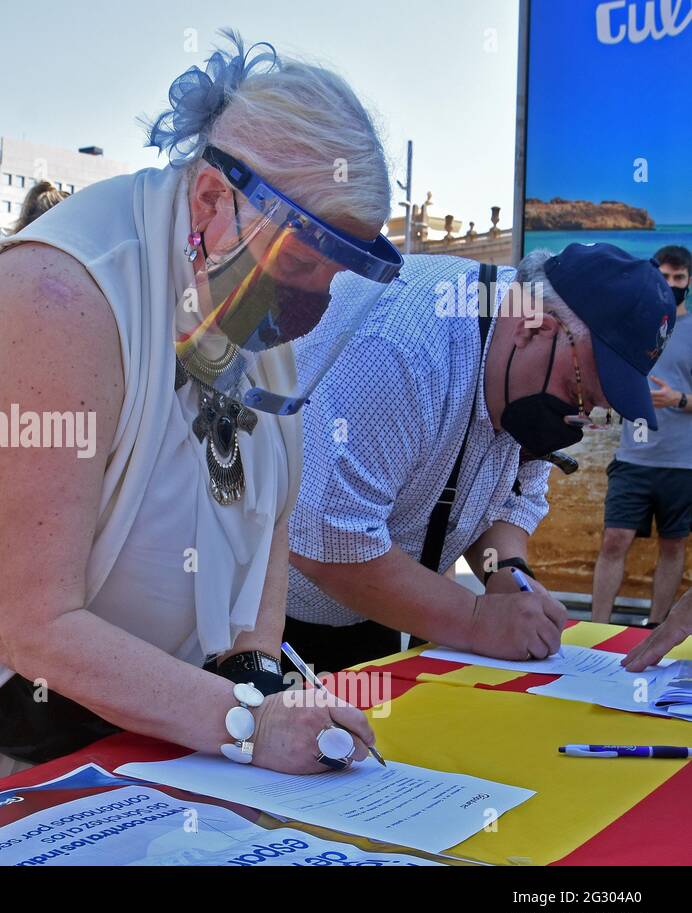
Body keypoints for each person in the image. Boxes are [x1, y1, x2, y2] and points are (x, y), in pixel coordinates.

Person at [0, 32, 405, 843]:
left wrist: (254, 671)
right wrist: (247, 726)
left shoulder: (243, 294)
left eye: (349, 263)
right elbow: (32, 621)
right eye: (311, 253)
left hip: (101, 724)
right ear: (211, 200)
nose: (322, 292)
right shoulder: (56, 295)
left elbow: (264, 512)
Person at [284, 244, 677, 672]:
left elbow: (509, 495)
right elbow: (326, 538)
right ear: (535, 329)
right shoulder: (399, 346)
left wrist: (506, 575)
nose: (578, 418)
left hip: (368, 607)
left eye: (597, 409)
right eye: (579, 394)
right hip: (255, 616)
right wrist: (475, 620)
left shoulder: (525, 362)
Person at [592, 245, 692, 626]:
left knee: (673, 544)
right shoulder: (634, 325)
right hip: (632, 458)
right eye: (664, 276)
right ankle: (596, 628)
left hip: (681, 462)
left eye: (679, 278)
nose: (671, 284)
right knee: (614, 540)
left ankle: (655, 627)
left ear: (689, 282)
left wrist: (677, 398)